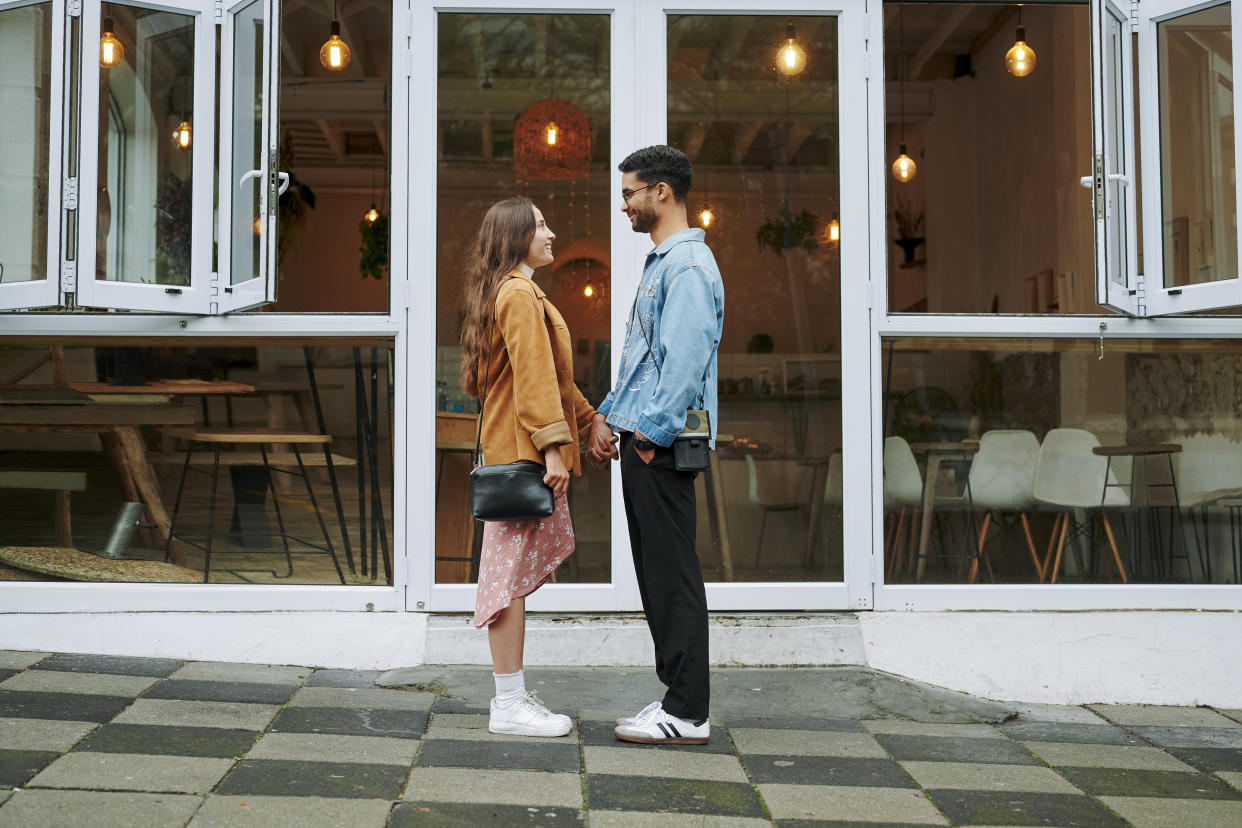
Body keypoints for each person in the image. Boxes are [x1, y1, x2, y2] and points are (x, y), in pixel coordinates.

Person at [586, 145, 726, 745]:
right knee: (658, 574)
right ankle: (677, 700)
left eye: (630, 193)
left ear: (662, 192)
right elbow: (645, 362)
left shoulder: (688, 266)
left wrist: (649, 434)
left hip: (661, 445)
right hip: (647, 439)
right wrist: (609, 417)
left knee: (672, 577)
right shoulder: (664, 262)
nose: (624, 205)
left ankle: (689, 711)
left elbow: (685, 363)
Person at [461, 196, 598, 738]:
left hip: (517, 450)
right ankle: (508, 704)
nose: (551, 231)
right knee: (505, 583)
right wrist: (553, 449)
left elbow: (550, 377)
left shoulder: (519, 290)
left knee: (509, 580)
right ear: (518, 235)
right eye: (541, 224)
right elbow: (538, 383)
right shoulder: (518, 293)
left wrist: (590, 422)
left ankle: (511, 697)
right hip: (521, 456)